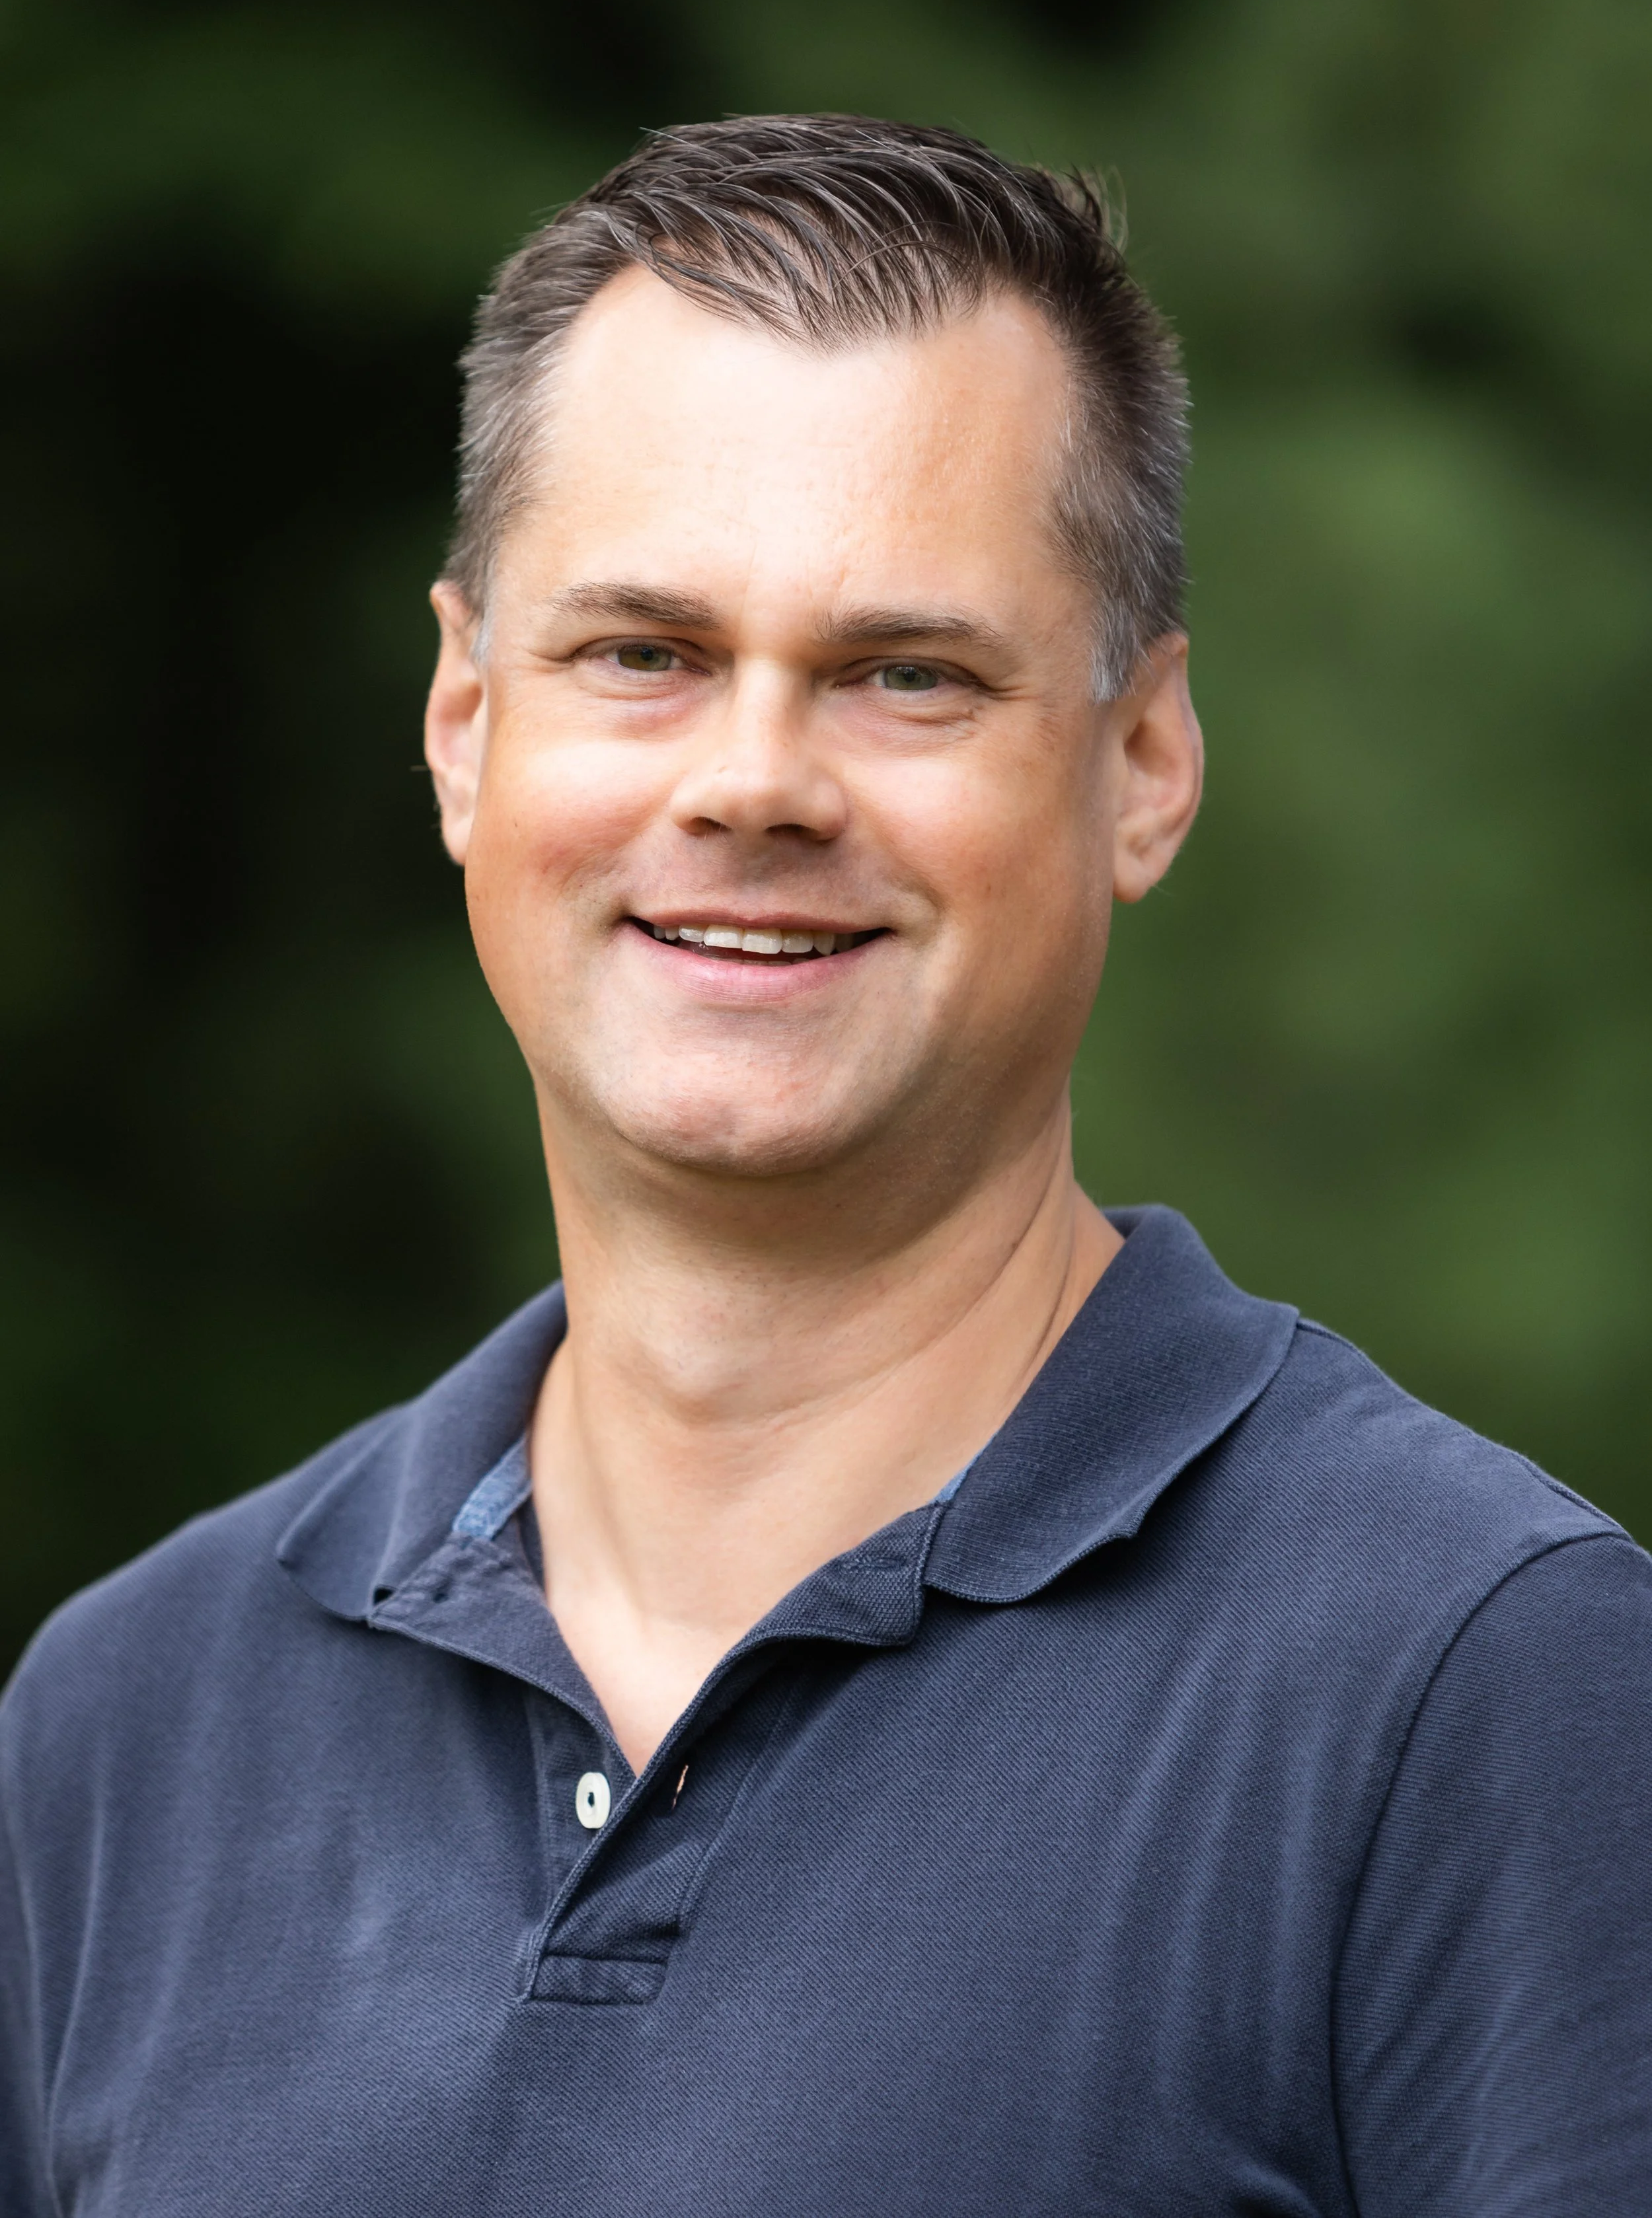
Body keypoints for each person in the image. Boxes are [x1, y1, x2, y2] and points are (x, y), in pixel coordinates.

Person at [2, 114, 1648, 2217]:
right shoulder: (127, 1721)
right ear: (464, 724)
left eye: (904, 675)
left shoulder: (1481, 1686)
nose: (755, 781)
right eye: (643, 654)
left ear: (1142, 763)